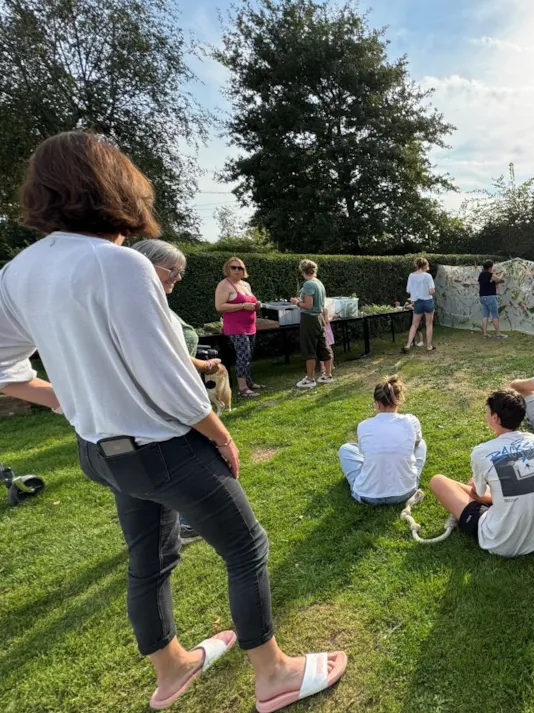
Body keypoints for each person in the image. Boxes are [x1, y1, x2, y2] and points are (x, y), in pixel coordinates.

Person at [0, 132, 345, 711]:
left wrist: (68, 398)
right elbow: (170, 378)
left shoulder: (17, 273)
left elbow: (5, 370)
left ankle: (172, 668)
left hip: (98, 451)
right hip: (164, 448)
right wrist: (218, 430)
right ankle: (274, 673)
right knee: (246, 546)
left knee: (150, 558)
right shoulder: (121, 265)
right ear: (116, 189)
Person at [131, 238, 224, 543]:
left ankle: (169, 526)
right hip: (170, 402)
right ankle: (184, 523)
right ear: (144, 264)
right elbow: (160, 363)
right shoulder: (138, 308)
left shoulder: (151, 301)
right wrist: (220, 435)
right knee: (186, 461)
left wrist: (202, 365)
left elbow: (172, 354)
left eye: (180, 271)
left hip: (175, 395)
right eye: (173, 270)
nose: (178, 277)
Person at [429, 389, 534, 558]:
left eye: (487, 412)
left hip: (500, 540)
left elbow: (478, 496)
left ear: (495, 418)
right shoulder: (533, 439)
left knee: (438, 481)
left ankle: (505, 501)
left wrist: (472, 487)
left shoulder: (481, 452)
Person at [337, 376, 426, 505]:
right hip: (406, 492)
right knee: (421, 444)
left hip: (367, 495)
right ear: (398, 401)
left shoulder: (363, 425)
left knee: (346, 449)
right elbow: (416, 444)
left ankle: (364, 482)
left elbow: (362, 453)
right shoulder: (411, 421)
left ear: (377, 404)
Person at [215, 256, 264, 397]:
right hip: (235, 327)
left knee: (248, 355)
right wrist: (242, 305)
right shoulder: (224, 284)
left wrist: (256, 305)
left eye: (240, 268)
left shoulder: (246, 285)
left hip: (250, 326)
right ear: (227, 269)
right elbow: (219, 306)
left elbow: (250, 302)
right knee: (243, 355)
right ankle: (242, 388)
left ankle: (249, 382)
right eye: (234, 267)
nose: (237, 270)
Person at [289, 259, 333, 388]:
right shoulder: (319, 283)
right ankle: (327, 375)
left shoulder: (308, 284)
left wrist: (296, 302)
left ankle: (310, 379)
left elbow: (308, 305)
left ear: (303, 271)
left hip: (309, 319)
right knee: (323, 345)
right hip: (319, 318)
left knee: (309, 348)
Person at [402, 258, 436, 353]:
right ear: (425, 265)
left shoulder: (411, 276)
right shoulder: (428, 276)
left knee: (414, 325)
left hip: (417, 302)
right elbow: (431, 291)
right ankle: (429, 346)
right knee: (428, 324)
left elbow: (408, 290)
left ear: (416, 265)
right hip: (428, 301)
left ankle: (408, 344)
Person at [478, 260, 506, 339]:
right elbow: (498, 280)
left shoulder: (481, 274)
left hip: (482, 297)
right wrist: (502, 274)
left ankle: (485, 334)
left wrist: (493, 274)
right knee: (495, 315)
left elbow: (489, 282)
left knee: (485, 315)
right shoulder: (490, 274)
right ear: (490, 267)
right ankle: (498, 334)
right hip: (490, 297)